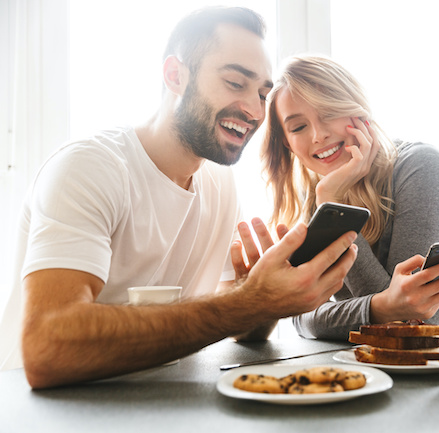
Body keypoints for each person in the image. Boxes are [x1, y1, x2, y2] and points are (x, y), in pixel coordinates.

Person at [0, 7, 359, 389]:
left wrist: (265, 295)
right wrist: (249, 301)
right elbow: (48, 349)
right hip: (40, 410)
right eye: (235, 82)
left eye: (262, 94)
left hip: (156, 402)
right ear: (175, 75)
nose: (255, 111)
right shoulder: (89, 168)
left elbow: (236, 324)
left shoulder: (220, 184)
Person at [261, 55, 439, 340]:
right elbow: (303, 317)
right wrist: (330, 200)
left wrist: (333, 206)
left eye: (328, 113)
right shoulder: (319, 194)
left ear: (356, 110)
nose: (318, 135)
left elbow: (404, 319)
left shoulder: (420, 166)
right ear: (288, 142)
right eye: (298, 127)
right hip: (372, 361)